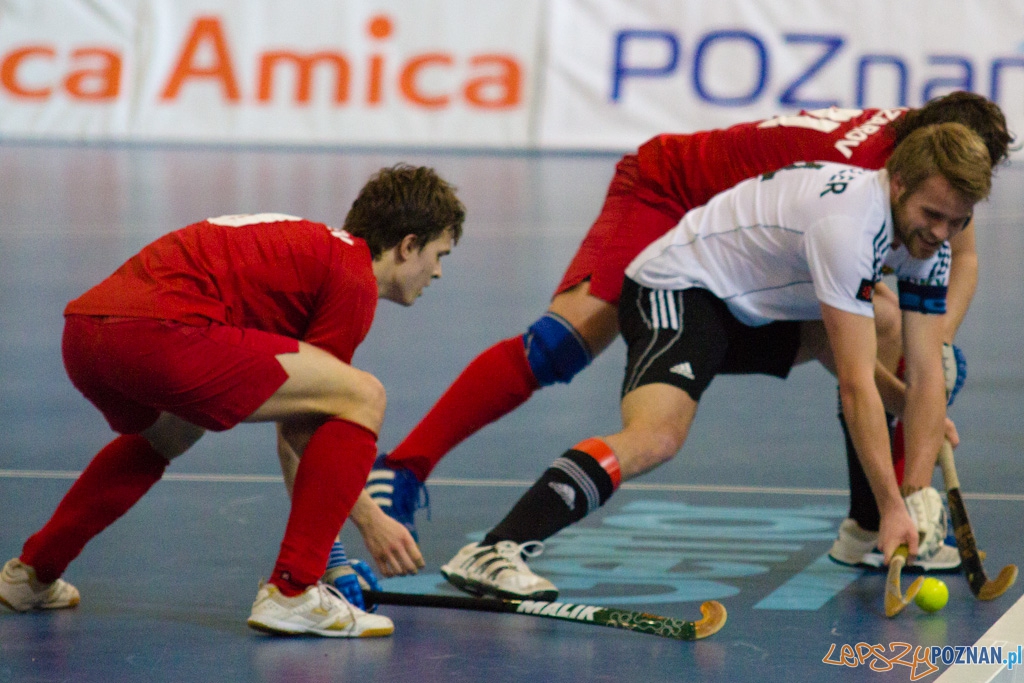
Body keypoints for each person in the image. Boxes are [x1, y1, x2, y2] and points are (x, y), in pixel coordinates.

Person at [357, 92, 1011, 577]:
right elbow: (857, 365)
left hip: (749, 249)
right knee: (562, 344)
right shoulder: (879, 181)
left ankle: (874, 523)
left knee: (895, 335)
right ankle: (404, 467)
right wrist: (917, 463)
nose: (950, 227)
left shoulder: (933, 174)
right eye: (942, 215)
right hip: (673, 194)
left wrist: (930, 378)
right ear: (904, 170)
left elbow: (958, 264)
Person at [0, 164, 466, 638]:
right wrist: (371, 521)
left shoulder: (314, 250)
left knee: (172, 432)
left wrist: (333, 558)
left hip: (87, 334)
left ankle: (34, 573)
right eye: (439, 254)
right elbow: (306, 428)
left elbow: (298, 426)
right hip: (158, 335)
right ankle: (292, 593)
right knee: (364, 395)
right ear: (408, 246)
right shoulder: (352, 278)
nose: (439, 271)